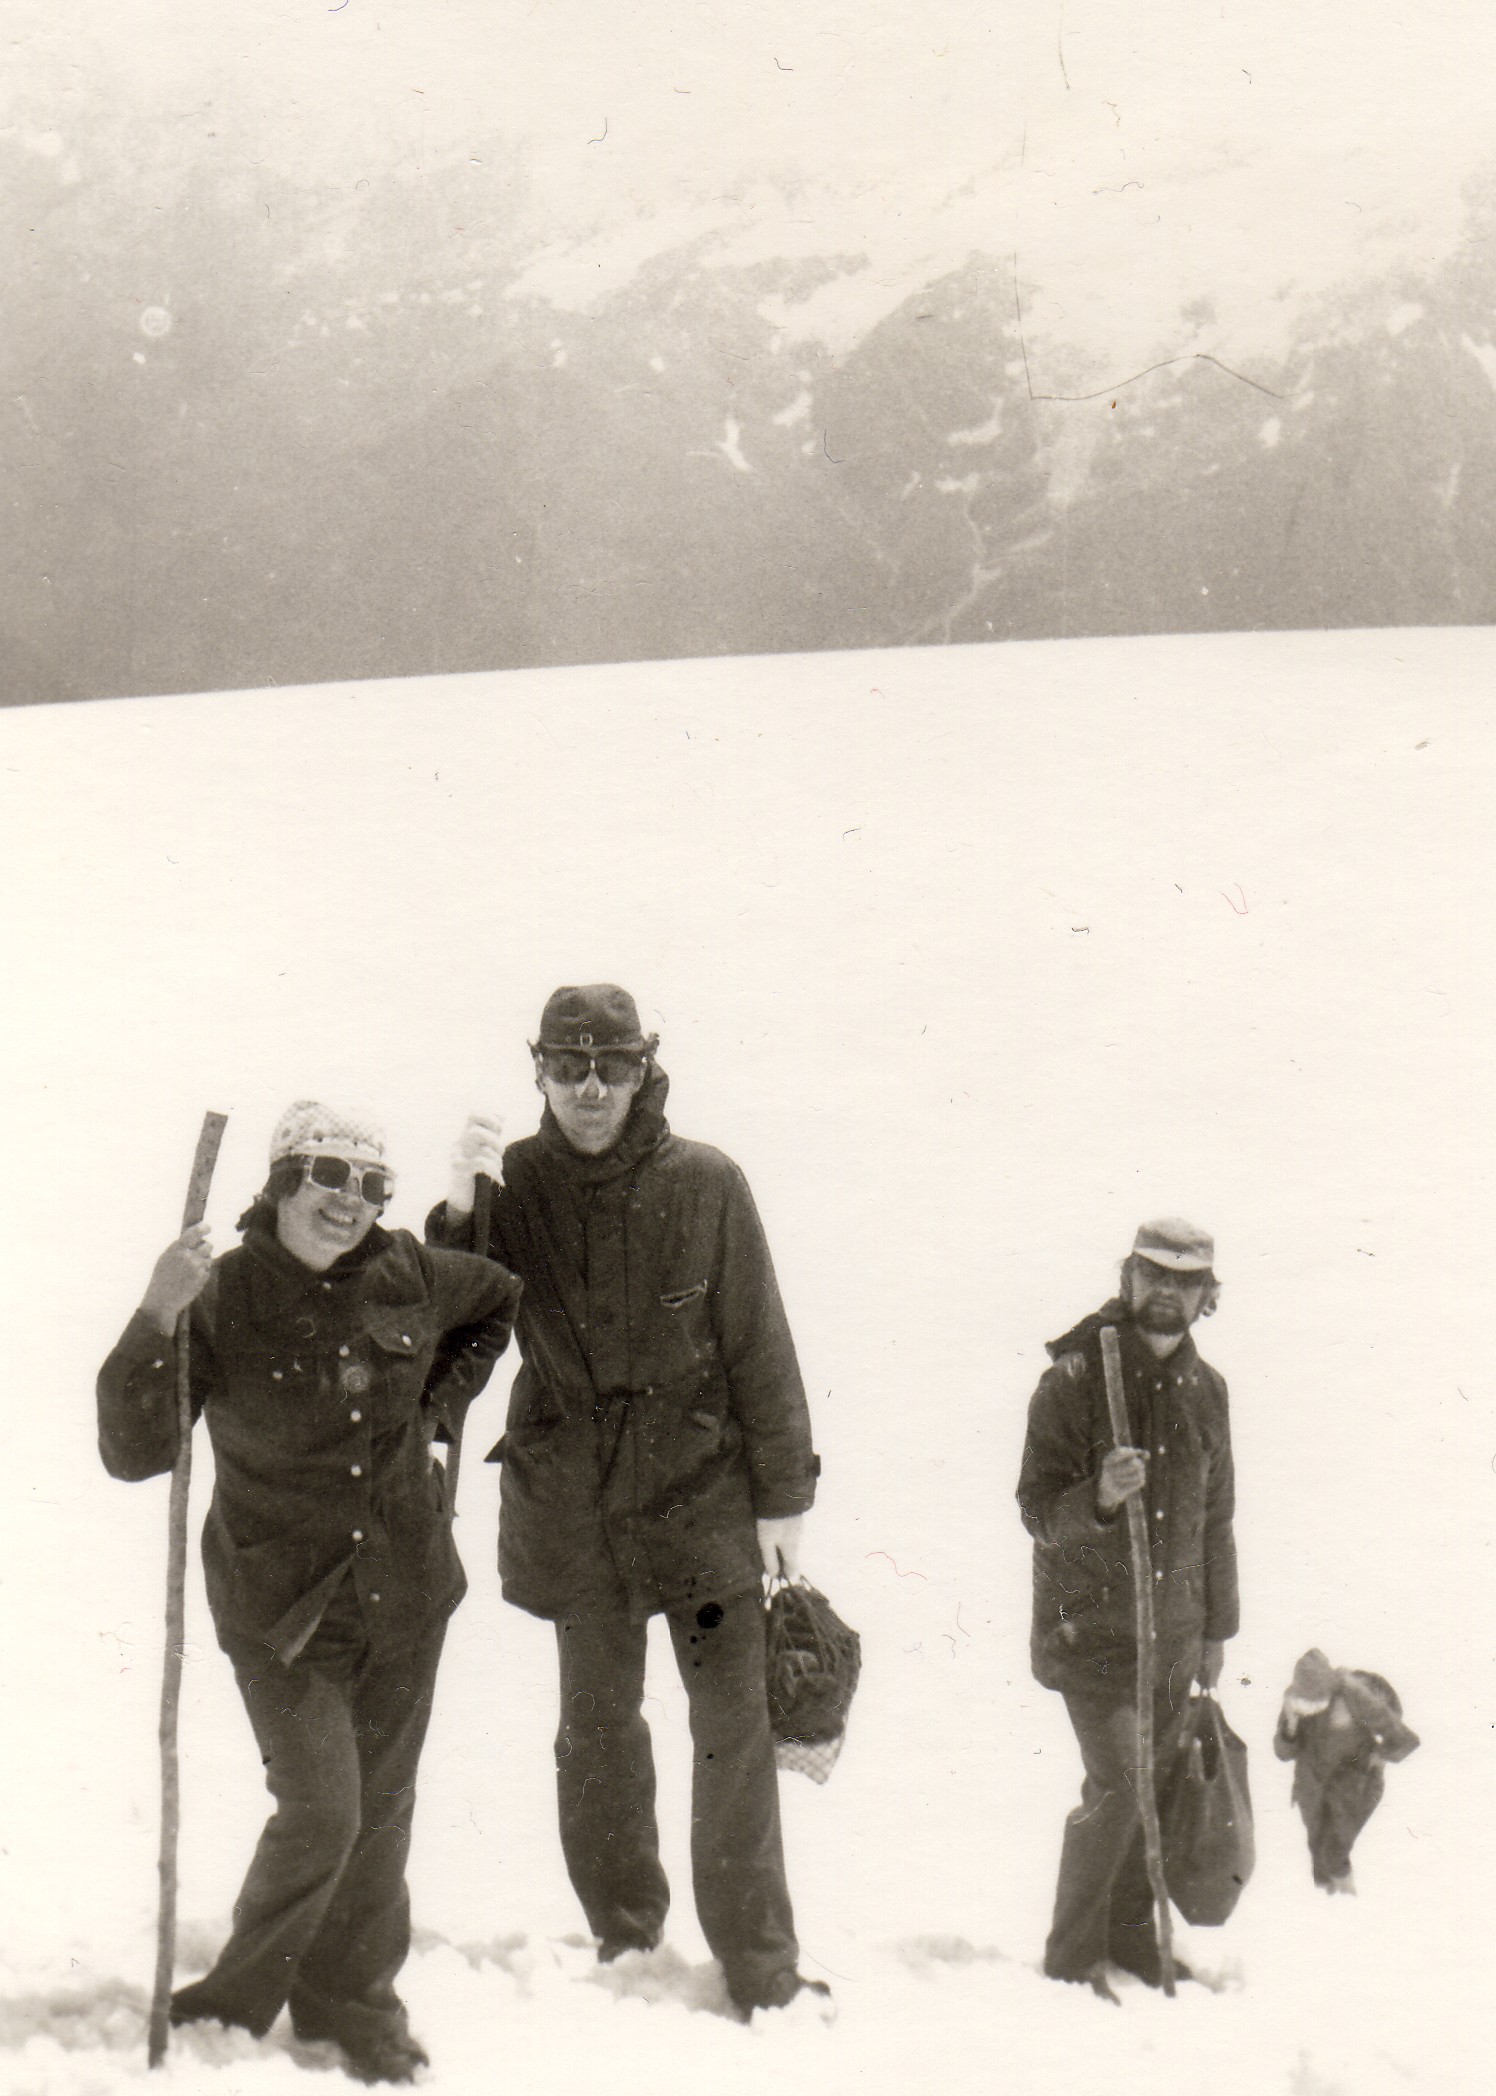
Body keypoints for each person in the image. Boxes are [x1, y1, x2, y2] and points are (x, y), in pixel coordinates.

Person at [98, 1103, 522, 2084]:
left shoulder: (409, 1269)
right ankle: (233, 2001)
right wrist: (157, 1310)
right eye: (329, 1177)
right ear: (284, 1177)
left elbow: (497, 1298)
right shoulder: (221, 1293)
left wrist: (436, 1407)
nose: (352, 1202)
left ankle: (354, 2004)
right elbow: (135, 1449)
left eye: (373, 1186)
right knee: (324, 1806)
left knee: (381, 1810)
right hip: (281, 1604)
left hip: (406, 1586)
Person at [428, 985, 827, 2020]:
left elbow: (758, 1341)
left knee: (730, 1727)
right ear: (540, 1074)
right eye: (569, 1065)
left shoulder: (706, 1180)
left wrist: (782, 1497)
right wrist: (458, 1212)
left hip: (700, 1496)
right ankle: (625, 1930)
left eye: (611, 1063)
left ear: (647, 1067)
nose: (591, 1085)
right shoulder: (509, 1182)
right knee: (596, 1727)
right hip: (574, 1499)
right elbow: (452, 1317)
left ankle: (759, 1963)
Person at [1016, 1218, 1239, 2000]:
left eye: (1186, 1282)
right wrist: (1100, 1499)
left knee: (1155, 1783)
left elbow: (1217, 1522)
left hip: (1175, 1636)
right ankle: (1073, 1958)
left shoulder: (1208, 1394)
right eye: (1155, 1276)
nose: (1168, 1294)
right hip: (1094, 1632)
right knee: (1119, 1783)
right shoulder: (1075, 1382)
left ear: (1208, 1297)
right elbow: (1037, 1510)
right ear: (1128, 1277)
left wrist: (1217, 1630)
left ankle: (1133, 1942)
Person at [1274, 1649, 1419, 1894]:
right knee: (1319, 1859)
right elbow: (1283, 1753)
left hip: (1352, 1787)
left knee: (1335, 1855)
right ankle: (1327, 1910)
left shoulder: (1354, 1694)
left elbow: (1404, 1739)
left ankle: (1351, 1907)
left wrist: (1381, 1755)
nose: (1309, 1707)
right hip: (1311, 1787)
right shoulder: (1295, 1699)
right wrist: (1289, 1727)